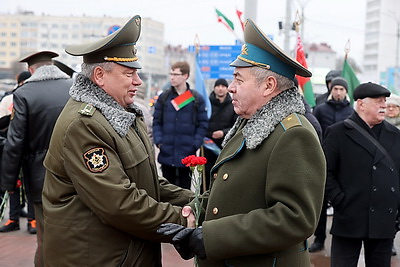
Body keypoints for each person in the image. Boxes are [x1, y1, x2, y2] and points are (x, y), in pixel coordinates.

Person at [157, 18, 326, 266]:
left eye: (238, 79)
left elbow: (295, 217)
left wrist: (213, 236)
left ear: (269, 85)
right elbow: (235, 196)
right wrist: (195, 212)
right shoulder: (250, 123)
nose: (232, 87)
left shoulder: (293, 134)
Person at [41, 15, 195, 266]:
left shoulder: (118, 115)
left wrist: (195, 202)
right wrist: (183, 219)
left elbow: (150, 183)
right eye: (128, 74)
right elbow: (119, 203)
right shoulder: (85, 124)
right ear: (100, 75)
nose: (138, 82)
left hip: (124, 253)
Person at [0, 50, 72, 266]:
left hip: (41, 177)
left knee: (45, 236)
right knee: (72, 233)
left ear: (31, 70)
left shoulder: (24, 94)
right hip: (76, 174)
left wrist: (8, 182)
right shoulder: (72, 88)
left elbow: (15, 142)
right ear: (53, 65)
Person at [324, 82, 400, 266]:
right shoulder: (338, 133)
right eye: (378, 101)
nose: (383, 105)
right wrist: (339, 200)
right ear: (361, 103)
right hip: (349, 217)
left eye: (384, 101)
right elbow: (325, 172)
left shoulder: (395, 134)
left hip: (384, 220)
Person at [309, 77, 354, 252]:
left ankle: (343, 237)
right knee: (321, 201)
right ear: (331, 90)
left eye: (342, 89)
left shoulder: (351, 112)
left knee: (343, 200)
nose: (338, 92)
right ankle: (319, 239)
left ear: (346, 92)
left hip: (346, 163)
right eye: (335, 89)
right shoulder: (320, 110)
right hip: (323, 160)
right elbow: (314, 130)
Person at [153, 61, 208, 189]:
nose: (172, 77)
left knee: (184, 190)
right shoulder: (164, 97)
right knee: (167, 190)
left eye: (176, 74)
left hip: (187, 153)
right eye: (171, 74)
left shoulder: (196, 98)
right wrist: (159, 141)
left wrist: (195, 143)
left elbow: (203, 124)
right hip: (167, 152)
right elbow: (156, 121)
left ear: (185, 76)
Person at [0, 70, 36, 234]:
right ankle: (13, 218)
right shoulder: (9, 99)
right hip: (11, 148)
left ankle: (32, 220)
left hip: (30, 150)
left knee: (30, 185)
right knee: (12, 184)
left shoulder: (34, 97)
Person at [203, 78, 237, 191]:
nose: (220, 89)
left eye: (223, 86)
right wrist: (208, 134)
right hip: (207, 146)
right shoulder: (206, 104)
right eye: (218, 86)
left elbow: (235, 125)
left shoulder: (233, 105)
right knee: (206, 176)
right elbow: (201, 123)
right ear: (214, 88)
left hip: (224, 146)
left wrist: (223, 133)